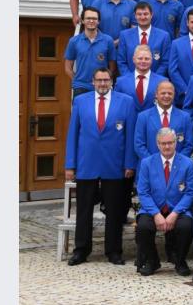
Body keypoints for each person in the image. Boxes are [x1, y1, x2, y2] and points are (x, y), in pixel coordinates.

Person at [65, 68, 136, 266]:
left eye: (106, 80)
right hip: (86, 163)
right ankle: (81, 250)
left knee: (114, 211)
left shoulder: (126, 101)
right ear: (92, 81)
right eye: (99, 80)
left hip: (114, 165)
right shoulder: (81, 101)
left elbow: (130, 136)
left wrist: (129, 163)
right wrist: (70, 164)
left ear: (112, 81)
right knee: (84, 210)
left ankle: (113, 251)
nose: (103, 84)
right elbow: (73, 134)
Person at [135, 128, 193, 276]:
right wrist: (156, 214)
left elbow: (190, 192)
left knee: (186, 226)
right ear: (157, 144)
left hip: (177, 208)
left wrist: (175, 213)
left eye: (170, 143)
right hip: (153, 208)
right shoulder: (147, 163)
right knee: (143, 227)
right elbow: (143, 192)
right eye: (163, 143)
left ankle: (180, 261)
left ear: (176, 143)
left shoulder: (187, 163)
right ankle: (152, 260)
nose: (167, 146)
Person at [134, 81, 193, 165]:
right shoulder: (143, 117)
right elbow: (139, 145)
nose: (166, 96)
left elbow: (188, 145)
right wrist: (154, 163)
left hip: (177, 168)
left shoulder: (185, 117)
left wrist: (175, 162)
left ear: (174, 95)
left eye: (170, 93)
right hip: (150, 168)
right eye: (163, 93)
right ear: (156, 94)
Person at [64, 7, 116, 97]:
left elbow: (112, 66)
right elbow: (68, 67)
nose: (91, 21)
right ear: (82, 21)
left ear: (99, 21)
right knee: (80, 111)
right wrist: (77, 80)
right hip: (81, 87)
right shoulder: (74, 41)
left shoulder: (108, 40)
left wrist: (105, 81)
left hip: (101, 86)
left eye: (94, 18)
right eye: (88, 18)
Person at [117, 2, 171, 76]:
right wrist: (129, 79)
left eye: (145, 14)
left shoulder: (164, 36)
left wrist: (154, 80)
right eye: (139, 14)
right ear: (135, 16)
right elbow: (121, 61)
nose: (142, 17)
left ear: (151, 15)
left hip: (156, 83)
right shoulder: (124, 35)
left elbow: (165, 62)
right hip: (130, 82)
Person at [114, 45, 168, 115]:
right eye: (140, 58)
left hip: (152, 124)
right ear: (133, 59)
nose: (143, 61)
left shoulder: (163, 82)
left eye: (147, 59)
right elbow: (116, 107)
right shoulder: (121, 82)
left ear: (151, 60)